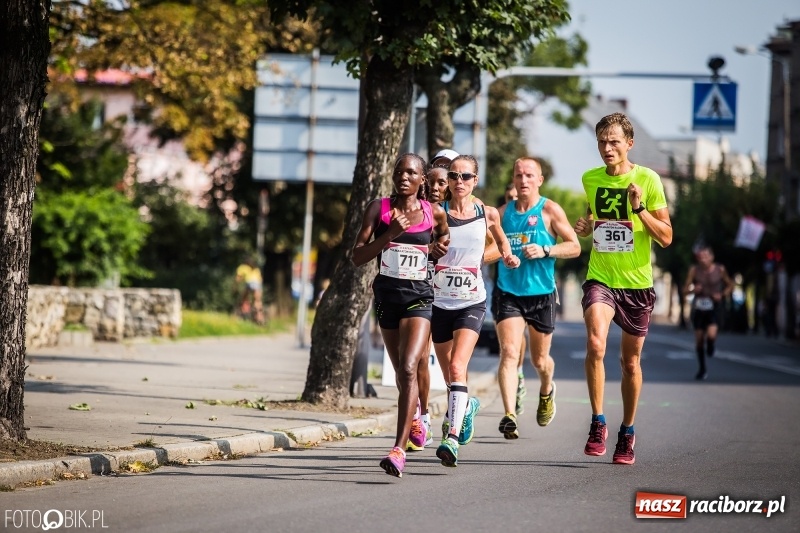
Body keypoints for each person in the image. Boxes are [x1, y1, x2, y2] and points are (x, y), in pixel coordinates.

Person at [573, 112, 673, 465]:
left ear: (629, 143)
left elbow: (666, 237)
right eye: (601, 141)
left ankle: (627, 431)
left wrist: (639, 208)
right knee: (596, 344)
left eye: (614, 141)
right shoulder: (590, 179)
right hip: (601, 277)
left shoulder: (648, 179)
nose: (607, 148)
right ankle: (598, 421)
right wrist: (584, 226)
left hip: (637, 284)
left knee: (630, 362)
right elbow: (593, 222)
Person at [352, 153, 449, 478]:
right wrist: (388, 234)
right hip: (387, 299)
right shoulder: (378, 209)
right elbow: (357, 256)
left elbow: (443, 234)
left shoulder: (431, 211)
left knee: (410, 366)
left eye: (411, 172)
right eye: (399, 171)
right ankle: (419, 413)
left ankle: (397, 449)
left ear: (422, 179)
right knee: (399, 372)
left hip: (419, 297)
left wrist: (437, 248)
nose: (404, 176)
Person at [431, 155, 520, 467]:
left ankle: (451, 438)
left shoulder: (486, 212)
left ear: (475, 180)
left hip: (471, 301)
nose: (459, 182)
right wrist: (432, 251)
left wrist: (503, 256)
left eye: (465, 176)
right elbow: (422, 245)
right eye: (454, 176)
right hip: (438, 301)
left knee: (458, 367)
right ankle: (466, 407)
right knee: (448, 375)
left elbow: (501, 239)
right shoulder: (435, 212)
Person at [485, 157, 581, 439]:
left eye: (529, 175)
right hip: (509, 291)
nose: (523, 180)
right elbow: (488, 251)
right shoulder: (502, 214)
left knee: (540, 361)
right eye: (518, 175)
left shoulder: (550, 210)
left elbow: (574, 246)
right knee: (510, 353)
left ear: (539, 180)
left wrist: (546, 250)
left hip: (541, 294)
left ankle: (547, 388)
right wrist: (504, 255)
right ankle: (509, 414)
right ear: (513, 180)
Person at [683, 246, 734, 380]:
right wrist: (693, 290)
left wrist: (722, 295)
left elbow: (730, 285)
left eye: (705, 257)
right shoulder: (694, 271)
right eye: (700, 257)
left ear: (712, 257)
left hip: (714, 307)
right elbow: (685, 289)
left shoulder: (720, 269)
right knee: (699, 340)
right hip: (699, 307)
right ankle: (702, 368)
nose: (703, 260)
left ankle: (711, 345)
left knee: (711, 335)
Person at [235, 256, 265, 325]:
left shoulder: (242, 267)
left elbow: (238, 279)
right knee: (258, 301)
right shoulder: (256, 268)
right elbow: (261, 279)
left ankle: (244, 311)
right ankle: (260, 318)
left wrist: (235, 286)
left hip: (250, 283)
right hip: (258, 284)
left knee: (244, 298)